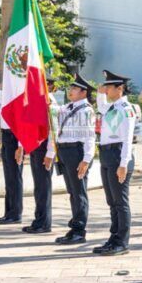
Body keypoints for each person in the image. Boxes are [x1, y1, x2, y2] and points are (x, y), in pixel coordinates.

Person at [47, 74, 97, 245]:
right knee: (72, 192)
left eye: (75, 89)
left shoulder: (86, 110)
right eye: (71, 88)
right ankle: (75, 226)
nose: (71, 91)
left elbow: (90, 137)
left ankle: (79, 230)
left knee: (79, 192)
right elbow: (52, 111)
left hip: (77, 152)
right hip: (65, 152)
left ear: (84, 92)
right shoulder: (67, 107)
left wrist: (86, 160)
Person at [94, 70, 136, 256]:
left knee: (120, 201)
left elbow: (127, 139)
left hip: (118, 155)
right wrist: (99, 92)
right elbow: (101, 105)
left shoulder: (126, 109)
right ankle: (114, 237)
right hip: (106, 155)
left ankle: (122, 241)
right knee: (112, 201)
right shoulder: (112, 107)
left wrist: (123, 164)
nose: (106, 89)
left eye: (109, 87)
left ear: (120, 88)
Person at [18, 77, 59, 234]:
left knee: (43, 187)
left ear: (50, 85)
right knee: (39, 187)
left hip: (44, 148)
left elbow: (53, 129)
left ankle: (44, 223)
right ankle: (39, 220)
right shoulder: (36, 101)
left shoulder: (51, 103)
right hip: (35, 146)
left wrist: (50, 153)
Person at [0, 99, 25, 226]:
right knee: (9, 178)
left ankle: (15, 213)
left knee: (14, 177)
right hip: (6, 135)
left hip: (15, 136)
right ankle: (9, 212)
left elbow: (21, 118)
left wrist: (20, 145)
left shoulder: (15, 89)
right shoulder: (5, 90)